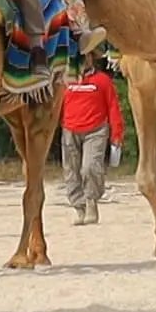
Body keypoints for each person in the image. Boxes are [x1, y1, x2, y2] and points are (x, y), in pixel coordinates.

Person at [60, 59, 124, 224]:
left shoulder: (102, 80)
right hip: (70, 129)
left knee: (90, 167)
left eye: (85, 56)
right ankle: (79, 208)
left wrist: (116, 136)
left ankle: (91, 203)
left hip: (95, 130)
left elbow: (113, 107)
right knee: (71, 171)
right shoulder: (65, 81)